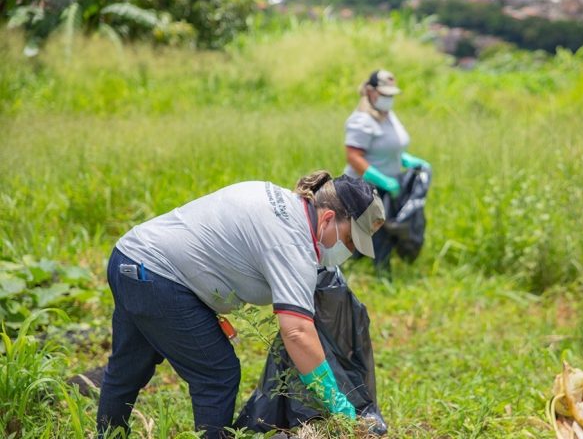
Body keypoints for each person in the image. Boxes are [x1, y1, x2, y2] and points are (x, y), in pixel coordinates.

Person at [96, 171, 385, 438]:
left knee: (127, 369)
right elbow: (296, 332)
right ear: (327, 218)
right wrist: (334, 400)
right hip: (156, 277)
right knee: (218, 374)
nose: (348, 250)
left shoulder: (283, 204)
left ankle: (107, 434)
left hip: (129, 256)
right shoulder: (291, 243)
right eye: (349, 240)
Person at [343, 69, 430, 272]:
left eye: (391, 95)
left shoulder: (389, 116)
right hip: (365, 186)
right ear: (371, 92)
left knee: (384, 231)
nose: (388, 99)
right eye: (384, 94)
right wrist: (380, 179)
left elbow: (393, 146)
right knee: (375, 232)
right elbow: (354, 156)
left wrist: (407, 161)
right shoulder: (361, 120)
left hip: (389, 183)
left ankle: (370, 269)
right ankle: (379, 276)